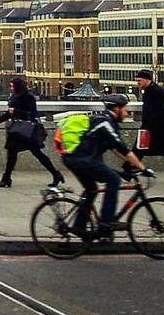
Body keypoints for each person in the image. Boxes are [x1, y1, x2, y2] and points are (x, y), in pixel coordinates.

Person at [62, 94, 150, 238]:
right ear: (116, 109)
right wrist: (143, 168)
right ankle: (106, 222)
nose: (128, 112)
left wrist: (128, 168)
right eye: (125, 109)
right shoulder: (105, 123)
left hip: (77, 159)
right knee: (114, 180)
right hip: (82, 159)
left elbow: (114, 148)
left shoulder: (106, 121)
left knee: (92, 189)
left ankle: (79, 227)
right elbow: (122, 149)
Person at [0, 77, 64, 188]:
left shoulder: (29, 98)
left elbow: (31, 114)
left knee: (37, 154)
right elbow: (10, 112)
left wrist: (15, 111)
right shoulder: (14, 96)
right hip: (16, 130)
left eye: (12, 86)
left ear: (18, 86)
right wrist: (0, 119)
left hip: (26, 131)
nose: (11, 88)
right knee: (12, 155)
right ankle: (6, 178)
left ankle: (56, 174)